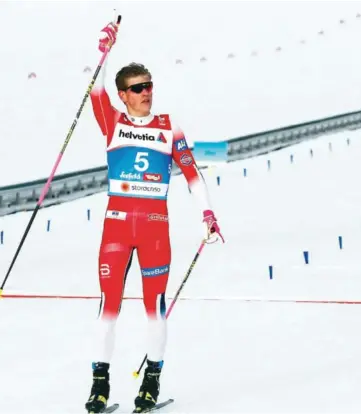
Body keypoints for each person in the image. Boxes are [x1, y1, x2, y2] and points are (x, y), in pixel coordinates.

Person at [84, 20, 225, 414]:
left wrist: (207, 212)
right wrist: (104, 49)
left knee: (155, 309)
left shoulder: (168, 126)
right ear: (124, 95)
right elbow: (93, 89)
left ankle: (150, 383)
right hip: (116, 226)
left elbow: (192, 173)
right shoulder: (113, 121)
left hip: (154, 231)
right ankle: (99, 386)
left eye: (150, 85)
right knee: (106, 309)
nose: (148, 93)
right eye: (139, 88)